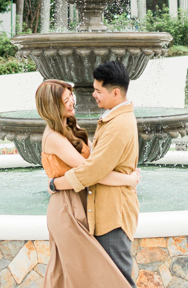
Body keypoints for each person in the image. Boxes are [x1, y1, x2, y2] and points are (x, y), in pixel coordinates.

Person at [36, 79, 138, 288]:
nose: (72, 102)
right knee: (83, 273)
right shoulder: (53, 137)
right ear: (52, 106)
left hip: (81, 201)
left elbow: (95, 164)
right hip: (66, 208)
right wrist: (128, 180)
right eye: (66, 100)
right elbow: (92, 172)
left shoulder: (72, 126)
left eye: (71, 97)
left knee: (76, 274)